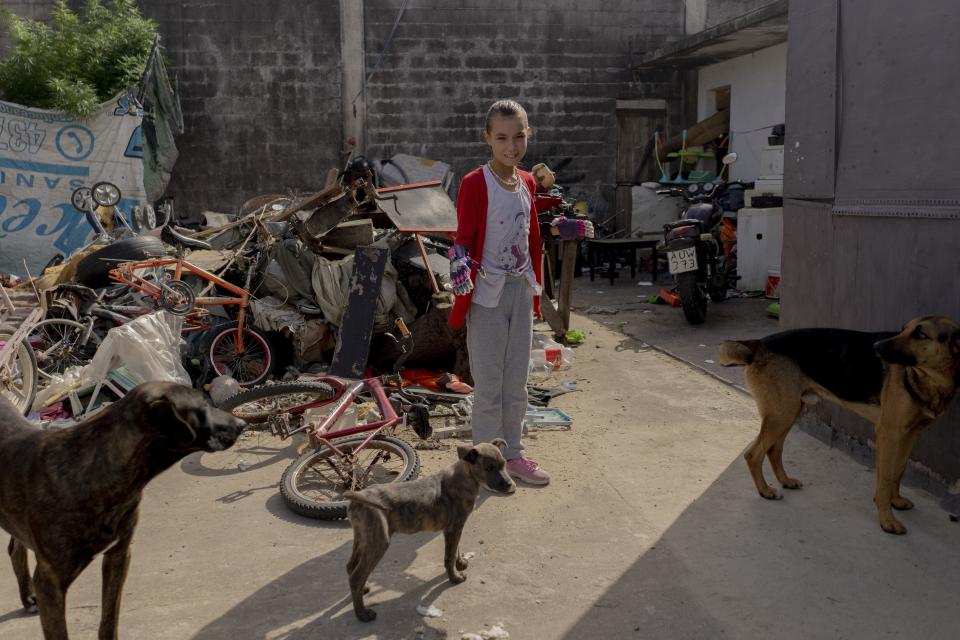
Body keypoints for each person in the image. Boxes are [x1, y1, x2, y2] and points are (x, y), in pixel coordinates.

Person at [446, 100, 590, 485]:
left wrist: (558, 234)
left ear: (529, 135)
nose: (512, 146)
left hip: (520, 289)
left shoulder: (525, 181)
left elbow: (529, 234)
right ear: (487, 139)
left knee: (516, 382)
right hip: (486, 296)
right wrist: (460, 281)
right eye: (502, 138)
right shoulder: (475, 182)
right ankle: (481, 464)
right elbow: (464, 239)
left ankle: (513, 454)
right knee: (489, 385)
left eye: (519, 136)